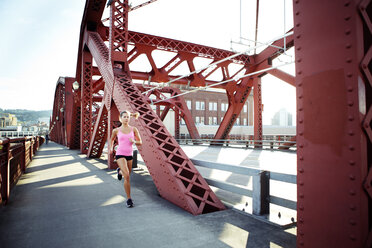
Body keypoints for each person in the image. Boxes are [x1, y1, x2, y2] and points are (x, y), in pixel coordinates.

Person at [110, 110, 142, 208]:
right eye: (124, 117)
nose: (126, 119)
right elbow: (111, 140)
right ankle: (129, 199)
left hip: (129, 154)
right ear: (120, 118)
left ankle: (119, 171)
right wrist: (111, 148)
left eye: (128, 117)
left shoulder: (134, 129)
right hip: (120, 154)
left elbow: (140, 142)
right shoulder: (116, 130)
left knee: (127, 174)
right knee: (127, 176)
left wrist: (134, 141)